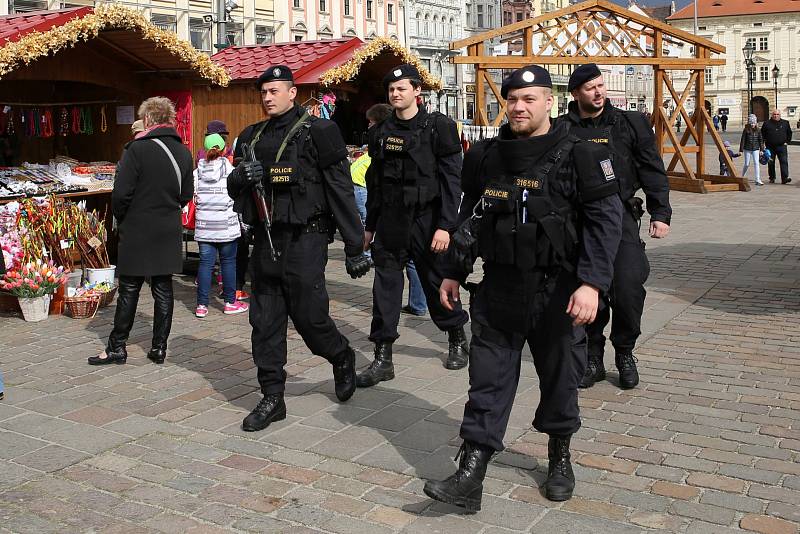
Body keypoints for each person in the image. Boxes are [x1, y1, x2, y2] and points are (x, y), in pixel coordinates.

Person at [423, 65, 623, 510]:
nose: (518, 106)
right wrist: (455, 269)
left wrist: (591, 283)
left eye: (529, 98)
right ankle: (470, 474)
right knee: (487, 381)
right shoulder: (485, 156)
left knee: (559, 378)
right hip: (499, 286)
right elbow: (469, 214)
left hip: (559, 290)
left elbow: (605, 224)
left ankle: (559, 454)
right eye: (512, 98)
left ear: (550, 101)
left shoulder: (582, 154)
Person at [227, 65, 371, 431]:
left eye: (275, 90)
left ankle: (341, 356)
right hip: (265, 240)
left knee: (310, 317)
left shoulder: (319, 131)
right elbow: (233, 186)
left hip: (306, 238)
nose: (267, 97)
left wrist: (355, 245)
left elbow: (339, 188)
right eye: (263, 92)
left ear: (293, 92)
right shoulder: (251, 136)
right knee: (264, 321)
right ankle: (272, 396)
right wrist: (241, 176)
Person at [555, 63, 671, 390]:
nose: (598, 91)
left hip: (619, 216)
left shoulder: (629, 123)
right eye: (590, 87)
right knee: (588, 288)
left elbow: (651, 168)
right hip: (575, 220)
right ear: (575, 93)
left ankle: (625, 350)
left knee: (629, 285)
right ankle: (592, 354)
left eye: (601, 85)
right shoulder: (561, 129)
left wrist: (660, 212)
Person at [356, 64, 470, 388]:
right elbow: (374, 181)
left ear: (417, 91)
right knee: (385, 290)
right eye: (391, 90)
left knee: (436, 284)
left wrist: (446, 226)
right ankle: (382, 357)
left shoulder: (439, 127)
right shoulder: (380, 132)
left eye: (402, 88)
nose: (395, 94)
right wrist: (370, 225)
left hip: (428, 220)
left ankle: (456, 336)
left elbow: (452, 180)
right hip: (391, 220)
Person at [89, 97, 193, 366]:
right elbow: (186, 194)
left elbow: (120, 195)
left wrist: (124, 219)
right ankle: (159, 348)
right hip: (167, 228)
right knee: (163, 288)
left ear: (147, 120)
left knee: (129, 289)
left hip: (137, 228)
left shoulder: (136, 150)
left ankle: (117, 347)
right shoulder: (183, 152)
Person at [351, 103, 428, 317]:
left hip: (408, 216)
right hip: (391, 216)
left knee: (412, 263)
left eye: (371, 122)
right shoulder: (377, 150)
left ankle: (419, 305)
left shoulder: (402, 144)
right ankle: (411, 307)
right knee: (401, 267)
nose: (369, 127)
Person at [194, 133, 249, 318]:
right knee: (228, 263)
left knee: (205, 265)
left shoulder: (197, 171)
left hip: (204, 227)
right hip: (226, 226)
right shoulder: (230, 169)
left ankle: (201, 305)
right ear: (224, 148)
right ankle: (230, 302)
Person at [761, 109, 792, 184]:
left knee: (784, 162)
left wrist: (787, 142)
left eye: (777, 114)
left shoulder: (785, 123)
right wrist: (762, 146)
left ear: (780, 115)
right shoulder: (766, 123)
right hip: (770, 146)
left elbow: (789, 133)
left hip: (782, 146)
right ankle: (772, 177)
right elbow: (762, 135)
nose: (776, 116)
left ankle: (785, 178)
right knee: (771, 163)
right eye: (774, 114)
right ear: (772, 115)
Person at [740, 114, 765, 186]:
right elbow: (743, 140)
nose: (752, 124)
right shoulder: (746, 129)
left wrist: (762, 150)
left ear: (756, 122)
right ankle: (742, 176)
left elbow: (760, 140)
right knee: (747, 164)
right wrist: (741, 150)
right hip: (747, 149)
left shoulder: (758, 130)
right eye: (751, 123)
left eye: (754, 123)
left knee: (756, 163)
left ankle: (758, 179)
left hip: (755, 149)